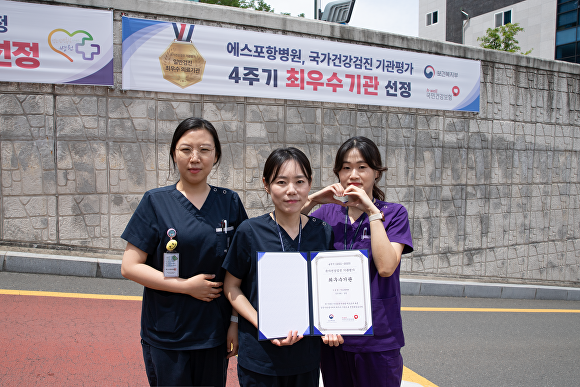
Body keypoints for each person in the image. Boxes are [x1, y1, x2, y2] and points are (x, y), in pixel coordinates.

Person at [120, 117, 248, 387]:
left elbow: (242, 269)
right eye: (186, 149)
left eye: (204, 149)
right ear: (173, 153)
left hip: (214, 332)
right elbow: (130, 266)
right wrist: (185, 286)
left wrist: (234, 322)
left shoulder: (229, 202)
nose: (195, 158)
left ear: (216, 156)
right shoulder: (156, 201)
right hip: (168, 333)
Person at [301, 136, 413, 387]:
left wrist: (373, 212)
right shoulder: (326, 214)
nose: (353, 174)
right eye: (346, 167)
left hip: (378, 338)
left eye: (362, 167)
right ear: (338, 173)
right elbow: (285, 231)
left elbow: (386, 267)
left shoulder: (393, 214)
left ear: (376, 173)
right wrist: (313, 200)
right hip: (334, 336)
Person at [222, 147, 339, 387]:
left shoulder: (322, 231)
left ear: (310, 183)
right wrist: (263, 322)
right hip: (260, 357)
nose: (291, 190)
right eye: (281, 182)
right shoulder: (250, 231)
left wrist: (334, 322)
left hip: (306, 357)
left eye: (299, 181)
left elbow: (327, 289)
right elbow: (232, 287)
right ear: (266, 185)